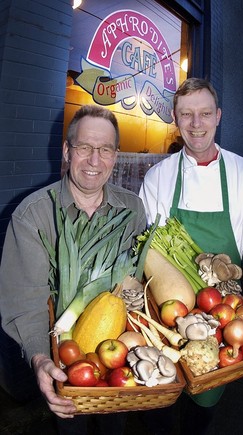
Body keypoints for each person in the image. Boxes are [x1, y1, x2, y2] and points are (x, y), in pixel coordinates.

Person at [139, 77, 243, 433]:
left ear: (218, 116)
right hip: (166, 312)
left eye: (204, 114)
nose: (196, 124)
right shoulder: (158, 176)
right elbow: (146, 246)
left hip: (222, 312)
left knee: (201, 409)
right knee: (160, 396)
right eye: (186, 114)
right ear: (175, 118)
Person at [0, 105, 146, 435]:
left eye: (105, 149)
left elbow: (134, 279)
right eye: (84, 147)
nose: (95, 161)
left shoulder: (133, 209)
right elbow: (25, 302)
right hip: (65, 361)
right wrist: (40, 359)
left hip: (117, 359)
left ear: (115, 155)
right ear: (67, 151)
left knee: (114, 427)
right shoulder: (33, 216)